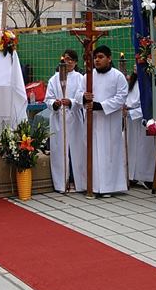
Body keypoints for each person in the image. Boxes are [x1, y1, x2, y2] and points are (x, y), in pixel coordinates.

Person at [74, 45, 129, 197]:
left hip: (109, 121)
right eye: (95, 57)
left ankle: (109, 187)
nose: (97, 60)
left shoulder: (118, 76)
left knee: (109, 154)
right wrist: (84, 97)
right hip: (92, 121)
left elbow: (121, 97)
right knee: (92, 151)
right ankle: (92, 185)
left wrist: (101, 106)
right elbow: (78, 94)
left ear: (109, 58)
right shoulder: (88, 76)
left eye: (100, 57)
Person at [45, 50, 86, 192]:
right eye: (65, 59)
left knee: (76, 150)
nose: (68, 62)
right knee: (60, 150)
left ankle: (77, 181)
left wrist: (72, 102)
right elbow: (48, 98)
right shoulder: (54, 79)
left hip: (74, 117)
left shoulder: (80, 78)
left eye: (71, 60)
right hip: (58, 118)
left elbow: (82, 98)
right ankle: (62, 182)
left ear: (75, 62)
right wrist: (54, 104)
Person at [125, 72, 156, 190]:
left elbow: (150, 104)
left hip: (144, 118)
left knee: (145, 148)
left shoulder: (150, 83)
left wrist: (131, 112)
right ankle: (131, 175)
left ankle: (147, 177)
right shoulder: (131, 83)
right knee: (131, 146)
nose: (135, 67)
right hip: (131, 120)